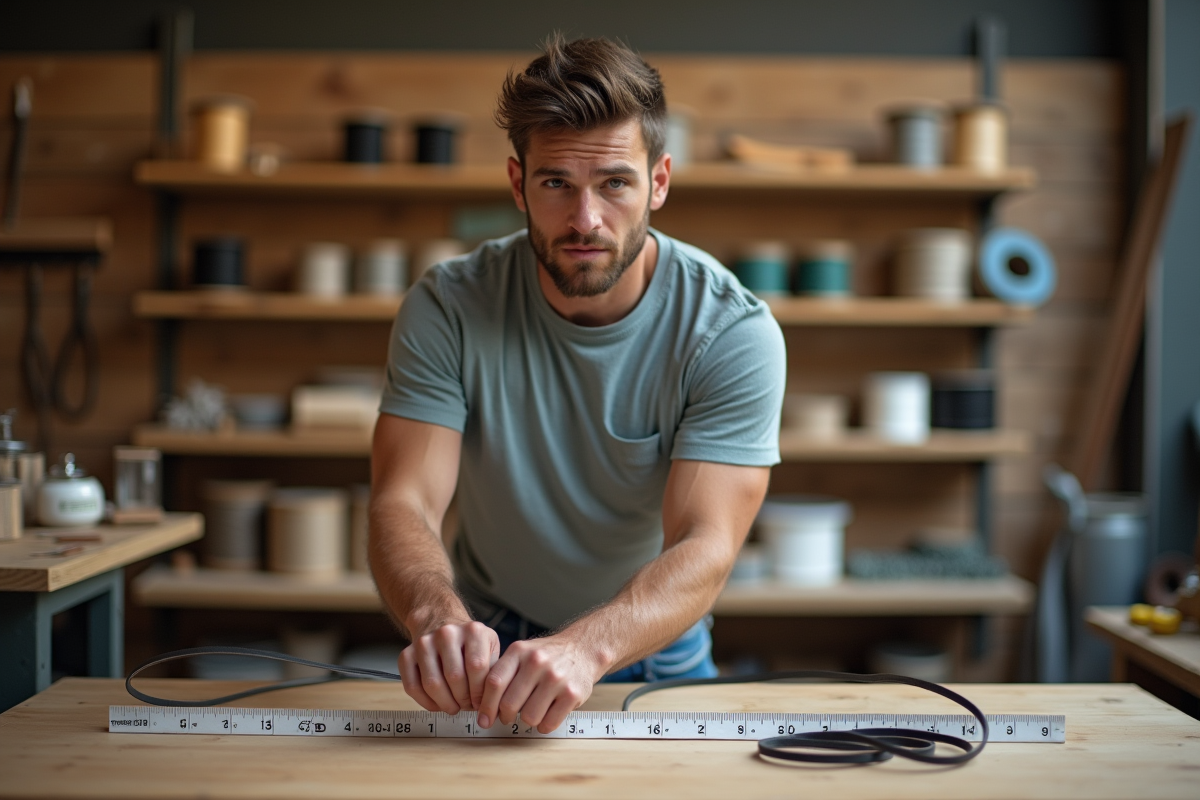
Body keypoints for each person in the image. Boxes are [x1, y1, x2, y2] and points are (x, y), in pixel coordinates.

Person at [369, 35, 786, 736]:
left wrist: (587, 647)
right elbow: (402, 497)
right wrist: (436, 617)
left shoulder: (732, 332)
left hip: (654, 649)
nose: (585, 221)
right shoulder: (447, 306)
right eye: (556, 183)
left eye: (614, 183)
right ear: (516, 183)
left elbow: (706, 543)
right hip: (483, 642)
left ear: (658, 181)